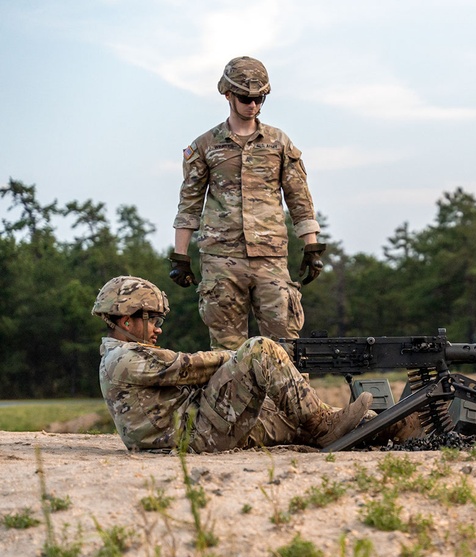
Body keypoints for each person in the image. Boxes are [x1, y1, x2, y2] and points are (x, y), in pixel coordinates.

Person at [92, 275, 373, 453]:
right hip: (197, 435)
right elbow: (189, 366)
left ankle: (396, 426)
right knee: (259, 348)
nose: (158, 329)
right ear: (127, 320)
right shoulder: (123, 359)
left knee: (298, 421)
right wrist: (250, 357)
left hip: (199, 429)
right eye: (152, 320)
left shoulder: (121, 358)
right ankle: (326, 426)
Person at [169, 56, 326, 351]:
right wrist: (180, 256)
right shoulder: (205, 146)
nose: (252, 105)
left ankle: (292, 399)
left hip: (270, 257)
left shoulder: (279, 143)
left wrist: (311, 247)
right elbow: (189, 203)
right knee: (227, 353)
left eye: (259, 98)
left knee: (286, 347)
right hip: (220, 259)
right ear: (228, 94)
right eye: (245, 97)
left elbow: (299, 198)